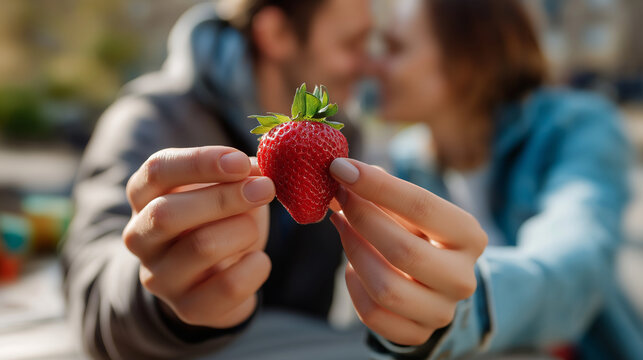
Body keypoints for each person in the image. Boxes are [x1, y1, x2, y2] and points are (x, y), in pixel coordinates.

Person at [62, 0, 375, 358]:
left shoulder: (339, 137)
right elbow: (91, 281)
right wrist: (160, 297)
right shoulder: (148, 120)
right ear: (275, 33)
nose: (370, 64)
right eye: (351, 44)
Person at [338, 0, 641, 358]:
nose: (372, 65)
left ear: (465, 59)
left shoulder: (576, 126)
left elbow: (577, 259)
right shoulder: (407, 160)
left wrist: (463, 307)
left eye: (394, 48)